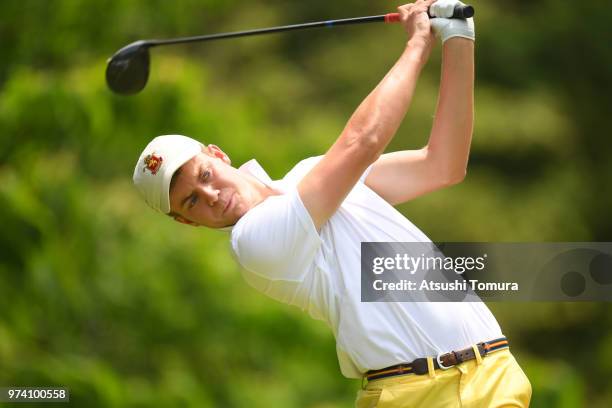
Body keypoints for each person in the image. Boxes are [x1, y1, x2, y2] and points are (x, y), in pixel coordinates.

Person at [132, 0, 532, 406]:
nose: (212, 196)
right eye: (192, 201)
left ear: (217, 154)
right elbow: (363, 141)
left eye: (204, 175)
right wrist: (418, 44)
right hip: (414, 396)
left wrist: (458, 37)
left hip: (494, 372)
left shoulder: (310, 172)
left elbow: (443, 165)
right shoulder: (255, 243)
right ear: (186, 222)